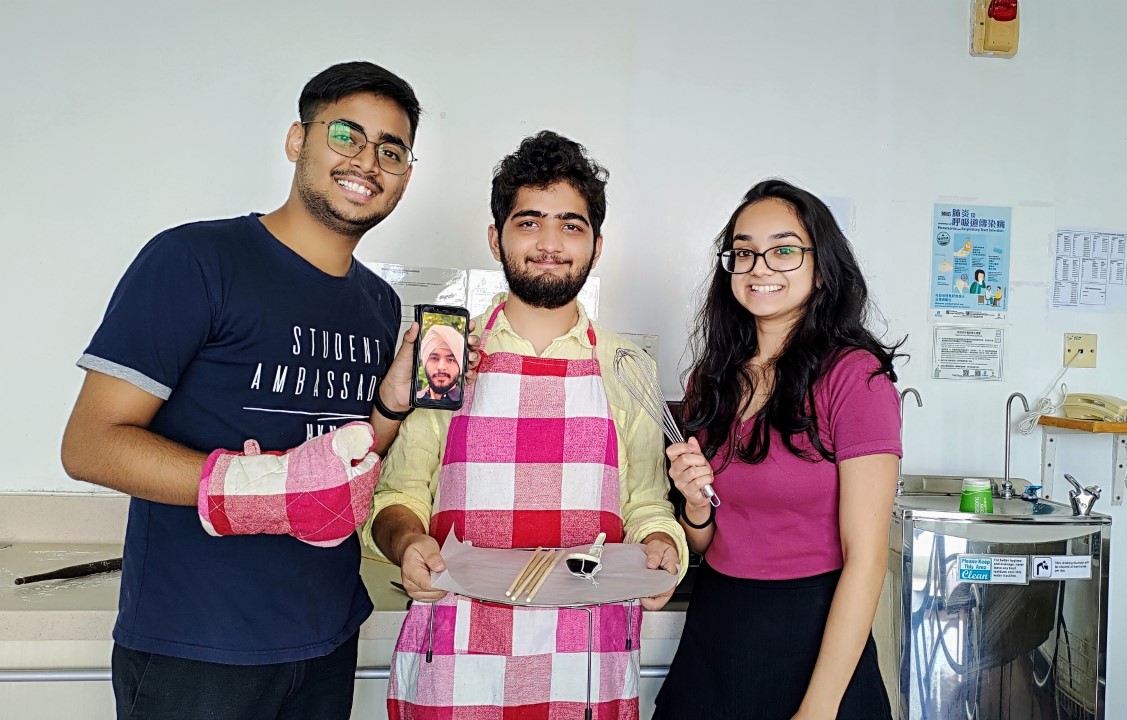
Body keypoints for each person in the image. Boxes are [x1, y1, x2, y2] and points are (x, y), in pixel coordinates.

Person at [61, 61, 428, 720]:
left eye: (391, 150)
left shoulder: (377, 303)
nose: (368, 160)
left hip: (326, 637)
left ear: (404, 175)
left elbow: (343, 460)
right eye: (347, 134)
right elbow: (90, 444)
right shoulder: (196, 260)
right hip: (198, 649)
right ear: (298, 140)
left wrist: (391, 405)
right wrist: (264, 487)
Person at [364, 130, 687, 720]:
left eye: (571, 225)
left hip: (587, 664)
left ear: (596, 244)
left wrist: (662, 547)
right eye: (529, 221)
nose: (549, 243)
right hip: (458, 659)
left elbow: (646, 507)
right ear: (496, 237)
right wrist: (408, 543)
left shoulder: (624, 366)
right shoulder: (449, 357)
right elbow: (398, 495)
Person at [653, 179, 903, 720]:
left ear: (821, 265)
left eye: (784, 249)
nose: (759, 266)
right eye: (744, 252)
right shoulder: (712, 379)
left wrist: (819, 709)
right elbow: (707, 543)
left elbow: (867, 560)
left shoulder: (854, 377)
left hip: (813, 635)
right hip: (717, 628)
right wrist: (695, 504)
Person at [416, 324, 463, 402]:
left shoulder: (469, 403)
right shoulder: (414, 399)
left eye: (450, 359)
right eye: (434, 358)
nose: (441, 367)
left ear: (460, 365)